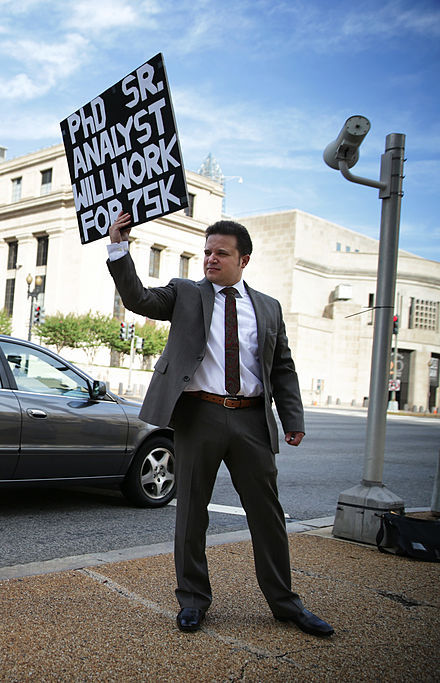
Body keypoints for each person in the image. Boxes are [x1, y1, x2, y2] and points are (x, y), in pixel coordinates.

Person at [106, 211, 333, 637]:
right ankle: (192, 601)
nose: (211, 259)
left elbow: (282, 368)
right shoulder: (186, 293)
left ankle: (286, 604)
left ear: (243, 260)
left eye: (221, 253)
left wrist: (293, 417)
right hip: (199, 416)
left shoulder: (268, 307)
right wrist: (120, 247)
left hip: (251, 420)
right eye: (207, 252)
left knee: (267, 515)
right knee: (191, 513)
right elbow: (139, 299)